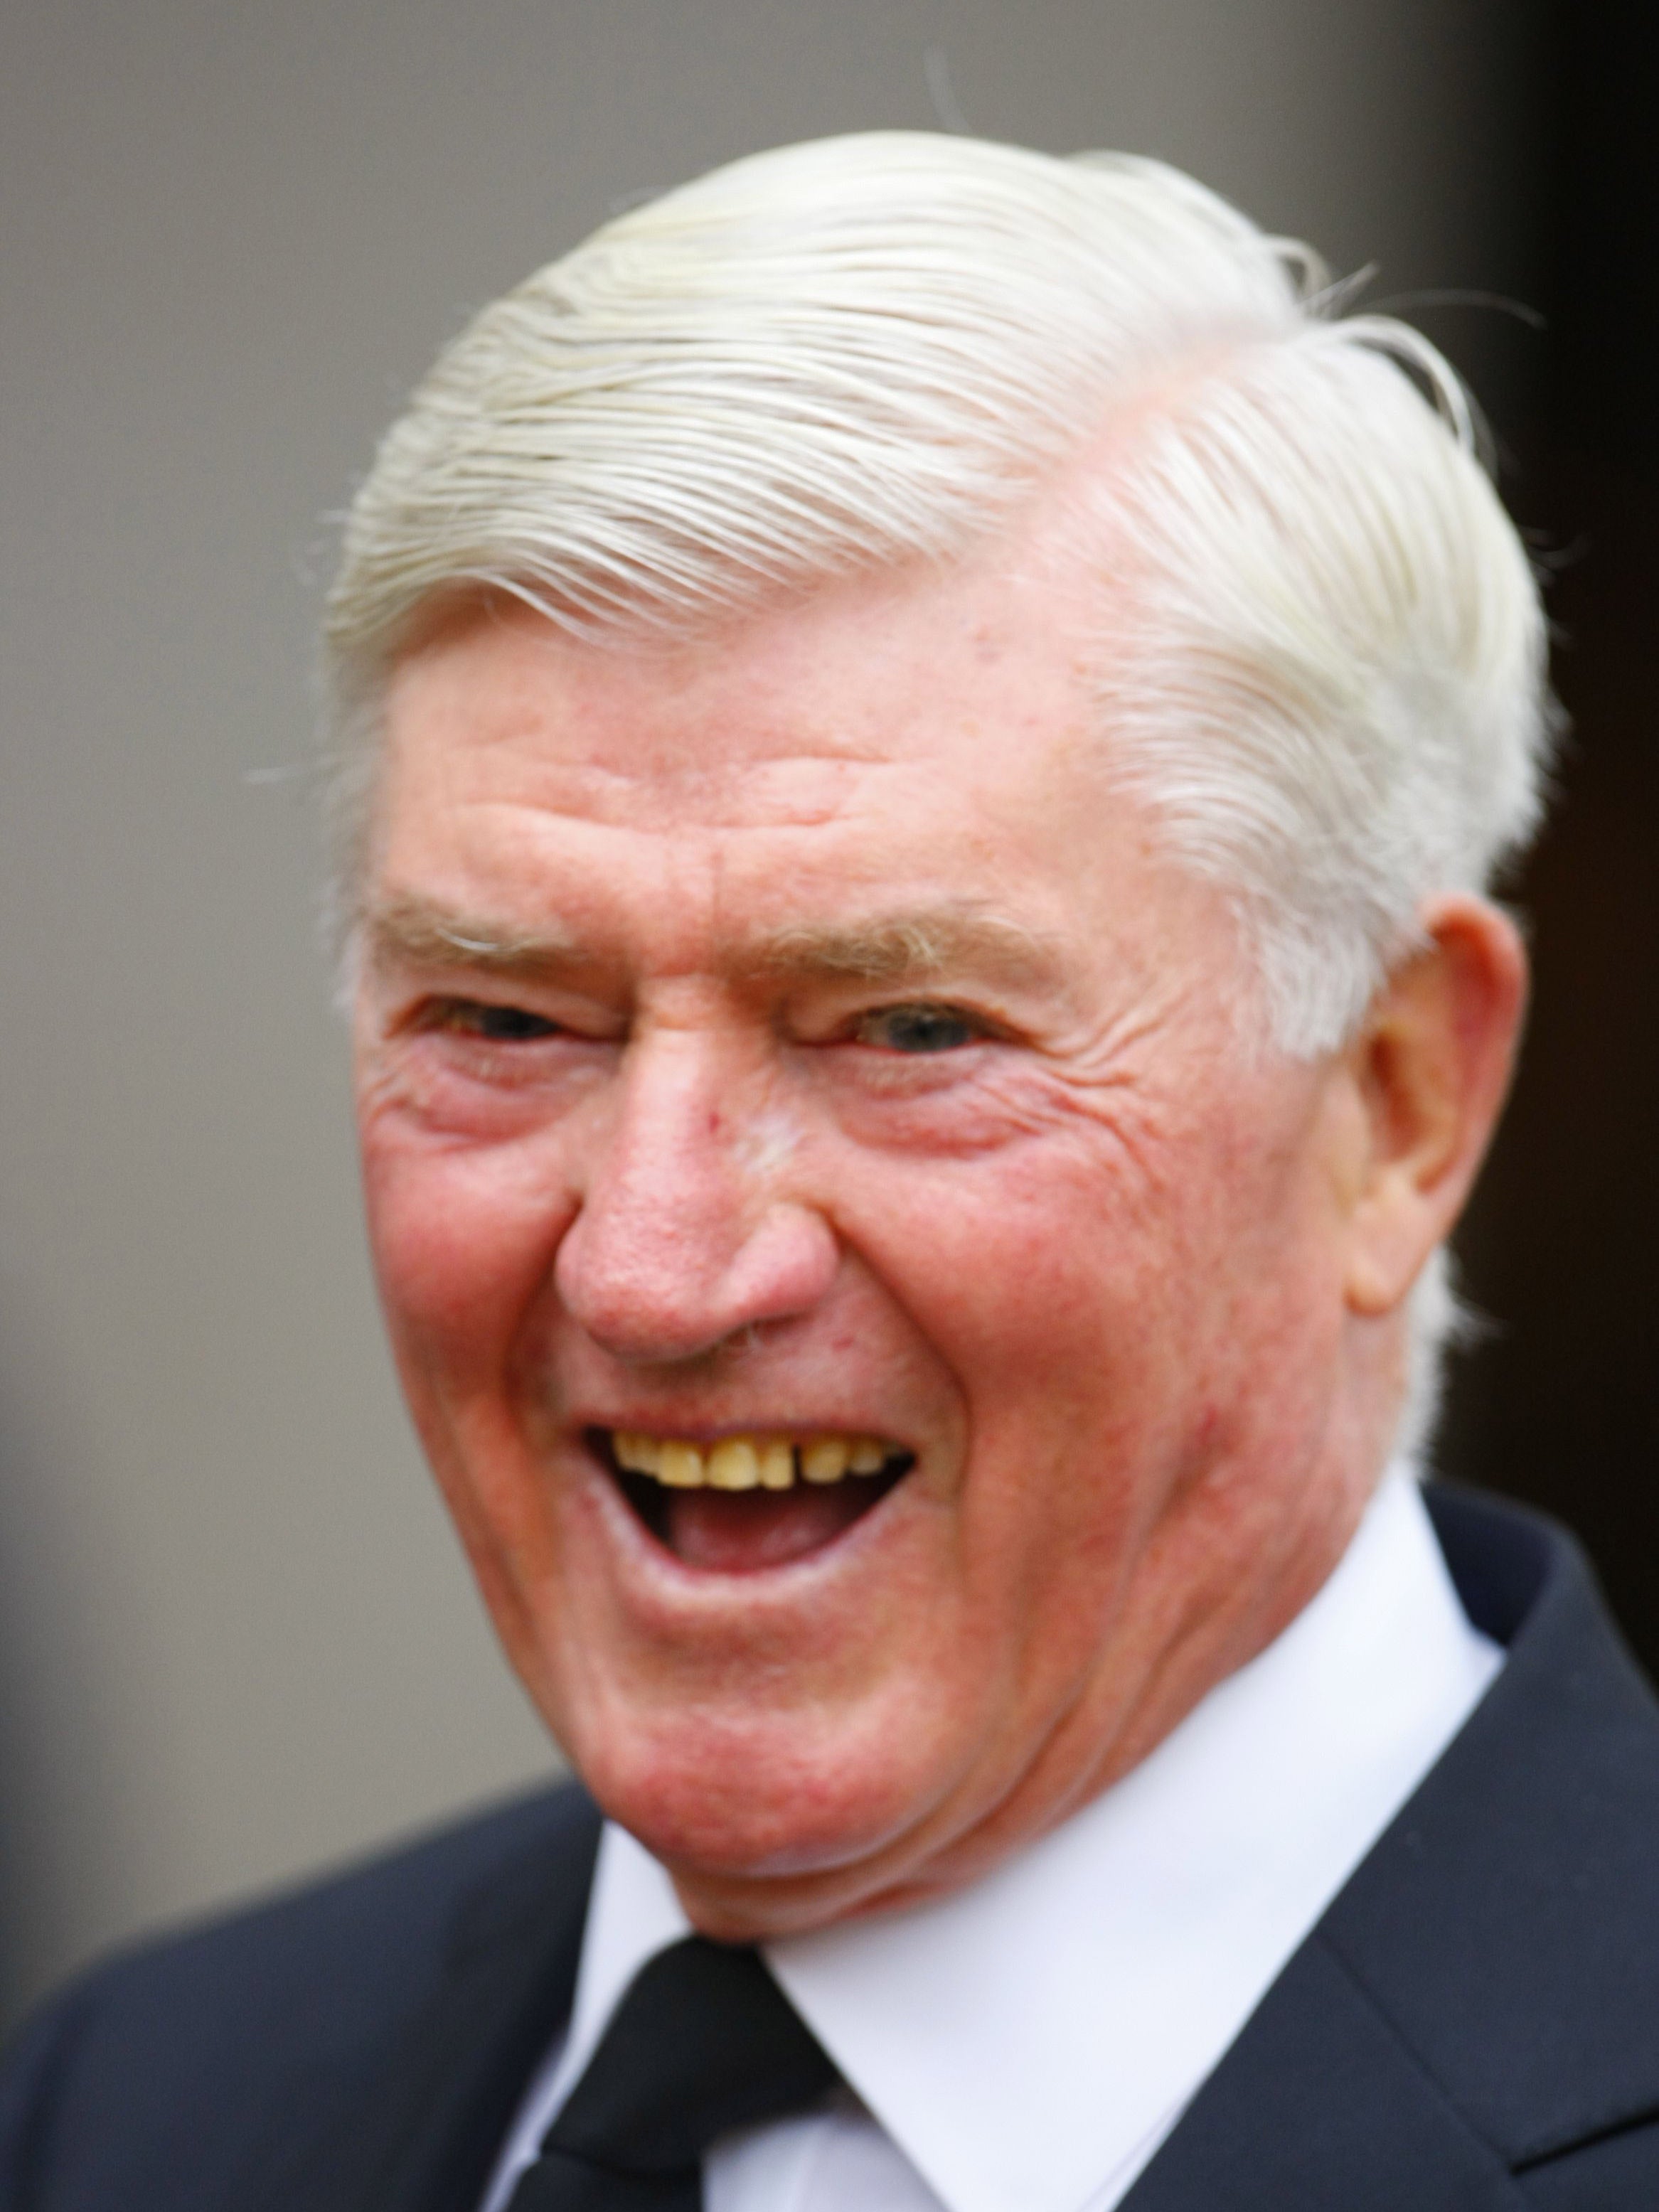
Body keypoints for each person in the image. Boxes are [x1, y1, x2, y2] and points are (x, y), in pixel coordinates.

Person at [4, 129, 1657, 2212]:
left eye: (909, 1030)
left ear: (1397, 1103)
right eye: (507, 1020)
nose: (653, 1268)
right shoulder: (136, 2112)